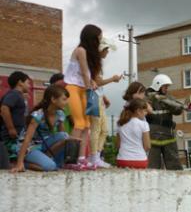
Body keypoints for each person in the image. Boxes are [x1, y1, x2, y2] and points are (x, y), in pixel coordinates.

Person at [63, 24, 102, 170]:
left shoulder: (87, 52)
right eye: (98, 38)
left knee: (87, 125)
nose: (99, 40)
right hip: (73, 88)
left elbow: (88, 76)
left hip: (83, 89)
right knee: (79, 123)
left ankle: (81, 158)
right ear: (91, 37)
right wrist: (90, 87)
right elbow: (85, 73)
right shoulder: (80, 50)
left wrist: (91, 83)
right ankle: (70, 160)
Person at [10, 86, 71, 172]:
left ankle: (54, 162)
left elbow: (62, 136)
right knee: (50, 167)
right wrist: (19, 163)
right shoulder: (38, 115)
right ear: (53, 99)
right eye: (64, 99)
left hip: (43, 144)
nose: (66, 102)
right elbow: (27, 139)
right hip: (30, 147)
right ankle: (24, 163)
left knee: (65, 136)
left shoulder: (60, 114)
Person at [89, 37, 122, 168]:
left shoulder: (97, 63)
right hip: (94, 98)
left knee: (104, 130)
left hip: (98, 97)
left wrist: (103, 96)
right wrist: (112, 79)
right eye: (106, 49)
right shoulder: (95, 63)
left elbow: (96, 84)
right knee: (97, 128)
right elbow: (97, 82)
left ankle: (96, 156)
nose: (107, 52)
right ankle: (93, 156)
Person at [146, 74, 185, 170]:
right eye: (165, 86)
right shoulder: (148, 99)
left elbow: (179, 110)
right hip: (154, 136)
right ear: (157, 85)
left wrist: (166, 102)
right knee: (153, 166)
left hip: (168, 135)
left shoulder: (168, 98)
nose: (167, 89)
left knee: (174, 165)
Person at [1, 71, 30, 162]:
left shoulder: (18, 95)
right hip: (11, 135)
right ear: (20, 82)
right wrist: (11, 128)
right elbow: (4, 108)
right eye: (27, 82)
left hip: (17, 134)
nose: (29, 85)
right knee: (11, 159)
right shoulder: (14, 94)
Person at [116, 99, 151, 169]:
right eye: (145, 111)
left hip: (122, 160)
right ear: (138, 111)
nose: (146, 113)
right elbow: (147, 146)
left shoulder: (120, 124)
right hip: (140, 160)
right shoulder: (144, 124)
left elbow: (118, 145)